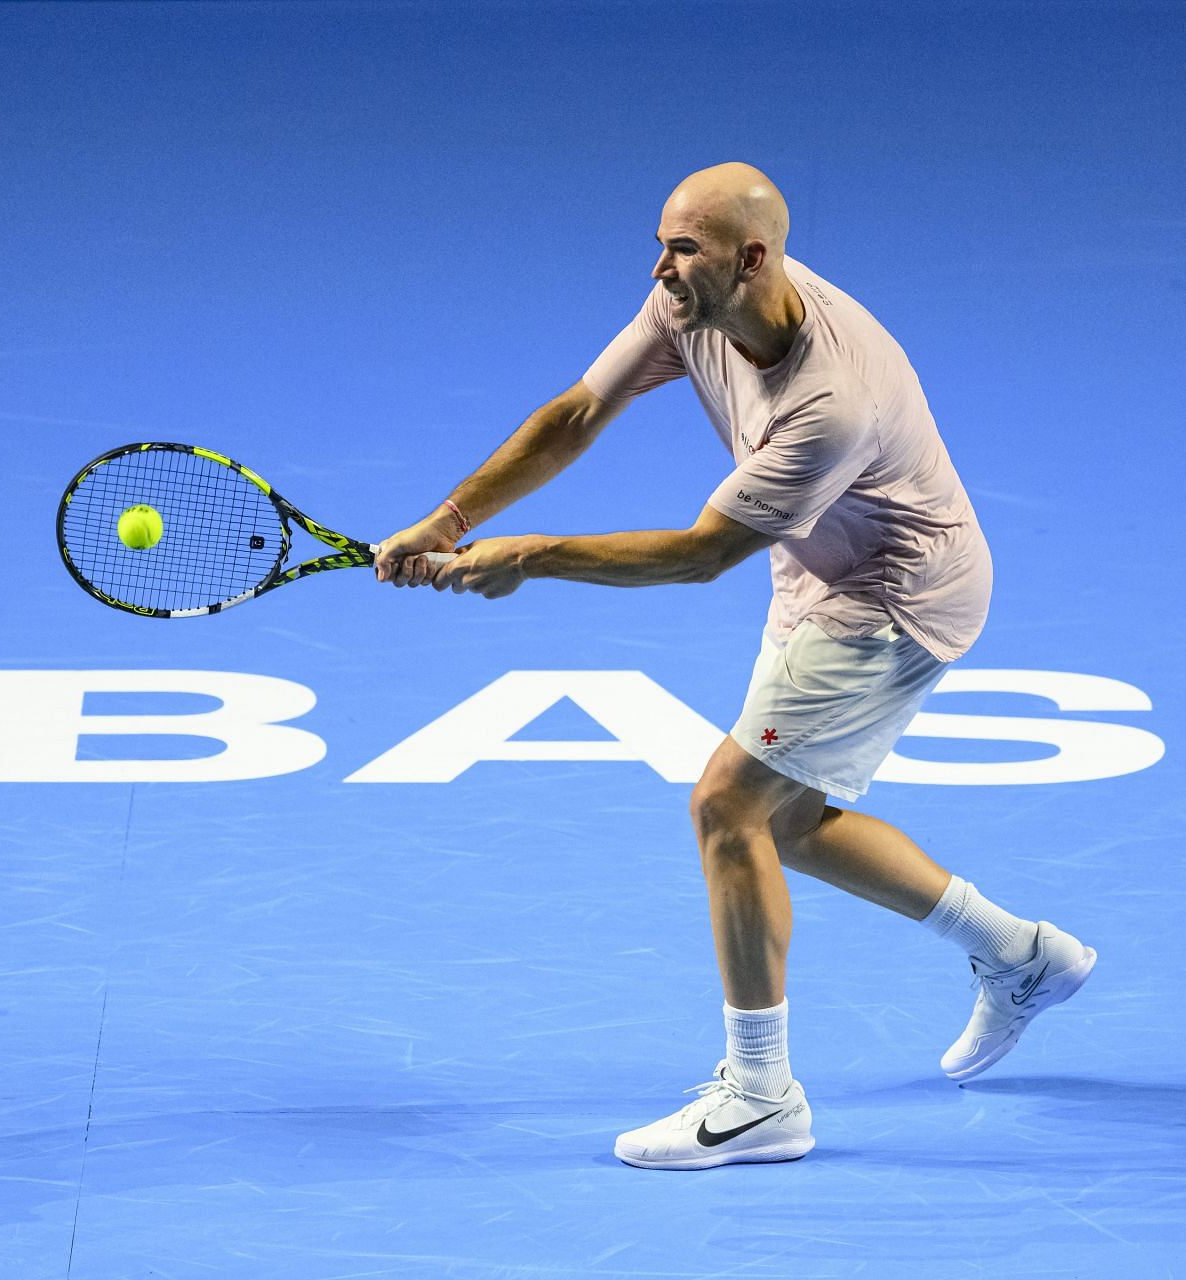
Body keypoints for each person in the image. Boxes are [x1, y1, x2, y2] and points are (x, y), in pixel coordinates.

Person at [375, 162, 1095, 1170]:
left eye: (684, 248)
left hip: (891, 596)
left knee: (729, 809)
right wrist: (453, 518)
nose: (661, 266)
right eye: (663, 242)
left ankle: (762, 1096)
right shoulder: (691, 301)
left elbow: (701, 554)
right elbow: (579, 412)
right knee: (786, 823)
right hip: (820, 567)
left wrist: (530, 556)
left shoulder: (829, 400)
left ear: (751, 259)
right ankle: (1024, 955)